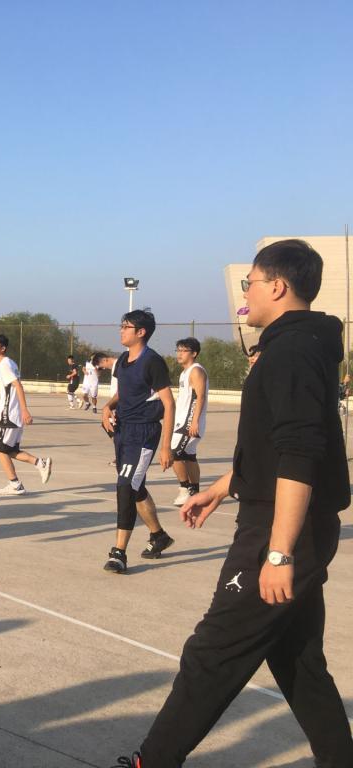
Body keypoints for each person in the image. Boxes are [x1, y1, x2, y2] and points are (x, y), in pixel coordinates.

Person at [117, 239, 353, 768]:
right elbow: (273, 444)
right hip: (290, 519)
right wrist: (224, 486)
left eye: (251, 283)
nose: (246, 293)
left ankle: (152, 761)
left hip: (281, 528)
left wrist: (279, 553)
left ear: (278, 286)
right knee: (297, 659)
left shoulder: (291, 352)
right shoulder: (298, 345)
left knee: (213, 651)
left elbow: (299, 455)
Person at [99, 309, 175, 574]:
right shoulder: (123, 359)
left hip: (143, 433)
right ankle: (159, 536)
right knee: (136, 485)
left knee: (125, 487)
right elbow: (124, 393)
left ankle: (119, 553)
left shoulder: (152, 361)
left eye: (126, 326)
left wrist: (166, 447)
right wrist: (108, 407)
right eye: (121, 326)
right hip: (123, 431)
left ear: (141, 332)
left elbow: (168, 402)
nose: (121, 330)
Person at [0, 334, 52, 495]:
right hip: (12, 415)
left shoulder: (4, 365)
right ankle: (40, 463)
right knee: (10, 450)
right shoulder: (9, 362)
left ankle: (15, 484)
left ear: (3, 348)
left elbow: (18, 386)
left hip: (9, 415)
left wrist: (24, 410)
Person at [170, 338, 208, 507]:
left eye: (183, 350)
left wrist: (194, 422)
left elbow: (200, 397)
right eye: (178, 350)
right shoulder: (184, 372)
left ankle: (184, 489)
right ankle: (195, 492)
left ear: (194, 353)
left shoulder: (196, 371)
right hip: (182, 421)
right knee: (189, 456)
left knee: (174, 453)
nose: (179, 354)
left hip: (189, 423)